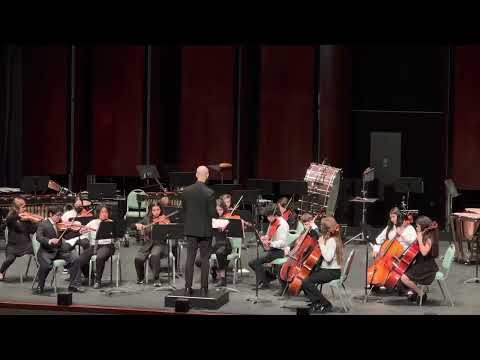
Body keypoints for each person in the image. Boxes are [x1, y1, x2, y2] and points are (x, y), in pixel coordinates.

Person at [182, 165, 217, 296]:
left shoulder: (186, 191)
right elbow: (212, 213)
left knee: (190, 258)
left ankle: (187, 288)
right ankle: (204, 288)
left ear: (196, 175)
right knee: (204, 259)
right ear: (207, 175)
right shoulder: (210, 193)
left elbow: (184, 210)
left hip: (190, 229)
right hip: (205, 230)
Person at [34, 206, 84, 294]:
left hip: (59, 250)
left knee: (75, 258)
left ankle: (73, 285)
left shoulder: (59, 224)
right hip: (46, 251)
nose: (60, 217)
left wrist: (77, 231)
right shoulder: (43, 224)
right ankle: (40, 286)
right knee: (45, 266)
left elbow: (66, 236)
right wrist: (49, 241)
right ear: (50, 214)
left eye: (61, 215)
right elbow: (39, 237)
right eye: (58, 215)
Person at [301, 216, 344, 313]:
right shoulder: (331, 237)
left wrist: (321, 244)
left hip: (332, 271)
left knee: (307, 282)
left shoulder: (332, 240)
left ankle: (325, 304)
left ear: (324, 229)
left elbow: (328, 258)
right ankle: (316, 302)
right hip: (328, 269)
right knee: (304, 278)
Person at [398, 216, 439, 304]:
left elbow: (424, 252)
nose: (416, 228)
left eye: (417, 226)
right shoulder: (424, 235)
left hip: (427, 268)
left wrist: (419, 239)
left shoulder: (429, 238)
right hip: (421, 264)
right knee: (402, 272)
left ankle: (421, 293)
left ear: (423, 227)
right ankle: (413, 292)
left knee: (404, 278)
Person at [248, 205, 289, 289]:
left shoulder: (282, 224)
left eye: (268, 216)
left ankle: (264, 282)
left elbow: (282, 242)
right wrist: (264, 238)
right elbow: (269, 235)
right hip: (272, 250)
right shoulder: (273, 222)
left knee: (254, 262)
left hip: (279, 251)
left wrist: (270, 243)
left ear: (274, 214)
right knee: (253, 262)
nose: (267, 218)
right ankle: (269, 277)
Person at [0, 197, 40, 281]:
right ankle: (1, 271)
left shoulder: (27, 219)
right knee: (9, 259)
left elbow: (32, 230)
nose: (25, 209)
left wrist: (36, 222)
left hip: (27, 245)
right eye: (23, 207)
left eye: (25, 206)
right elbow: (8, 220)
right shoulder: (11, 218)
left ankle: (40, 273)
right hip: (13, 246)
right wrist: (22, 216)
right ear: (16, 208)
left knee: (38, 253)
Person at [77, 205, 116, 289]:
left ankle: (98, 281)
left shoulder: (111, 222)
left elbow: (116, 238)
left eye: (106, 212)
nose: (104, 214)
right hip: (94, 246)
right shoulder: (93, 222)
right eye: (102, 212)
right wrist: (83, 230)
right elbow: (82, 231)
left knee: (100, 257)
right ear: (98, 213)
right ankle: (90, 276)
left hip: (107, 246)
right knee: (80, 259)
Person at [195, 198, 232, 286]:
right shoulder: (210, 219)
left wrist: (226, 226)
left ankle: (223, 278)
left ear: (224, 209)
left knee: (220, 253)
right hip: (213, 245)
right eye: (216, 210)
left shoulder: (228, 217)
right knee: (198, 261)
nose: (218, 212)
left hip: (225, 244)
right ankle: (213, 269)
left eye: (220, 209)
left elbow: (236, 227)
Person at [133, 202, 169, 286]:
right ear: (150, 211)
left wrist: (165, 224)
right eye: (154, 210)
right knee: (138, 258)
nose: (156, 212)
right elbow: (134, 225)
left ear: (161, 210)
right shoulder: (147, 219)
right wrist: (136, 225)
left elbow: (169, 232)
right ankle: (140, 277)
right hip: (148, 244)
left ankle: (156, 278)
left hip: (159, 244)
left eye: (158, 210)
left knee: (155, 255)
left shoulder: (164, 218)